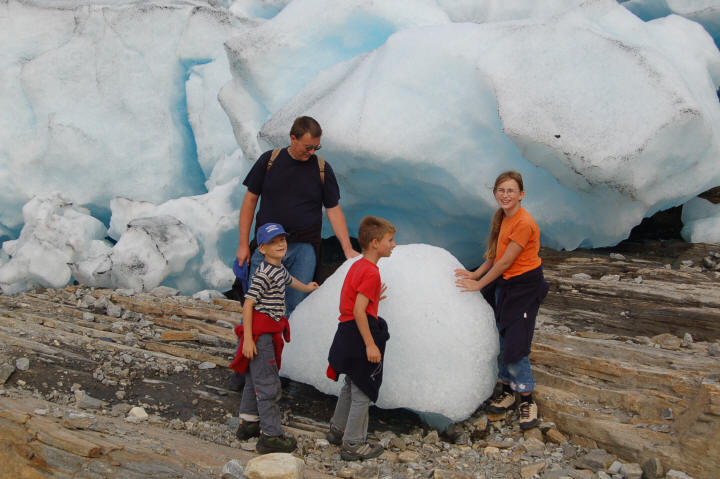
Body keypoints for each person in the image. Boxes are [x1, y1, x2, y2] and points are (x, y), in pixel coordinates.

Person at [237, 115, 359, 317]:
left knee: (295, 309)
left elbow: (333, 209)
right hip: (268, 247)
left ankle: (287, 339)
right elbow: (250, 200)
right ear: (293, 138)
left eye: (316, 148)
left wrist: (347, 247)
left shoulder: (322, 169)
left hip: (304, 249)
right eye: (308, 147)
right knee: (257, 306)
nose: (312, 152)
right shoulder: (269, 160)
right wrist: (243, 245)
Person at [455, 171, 549, 430]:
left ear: (521, 194)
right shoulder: (502, 217)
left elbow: (506, 261)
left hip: (524, 286)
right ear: (495, 193)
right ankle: (507, 390)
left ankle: (527, 399)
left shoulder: (524, 222)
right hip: (506, 284)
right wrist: (475, 274)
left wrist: (479, 284)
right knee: (501, 335)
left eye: (510, 191)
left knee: (517, 340)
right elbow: (495, 255)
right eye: (501, 190)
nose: (505, 195)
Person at [228, 222, 319, 454]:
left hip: (269, 331)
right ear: (262, 249)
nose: (280, 244)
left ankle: (248, 424)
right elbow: (248, 304)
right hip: (261, 334)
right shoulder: (263, 274)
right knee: (268, 384)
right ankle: (271, 436)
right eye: (273, 242)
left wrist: (307, 288)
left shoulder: (279, 269)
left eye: (282, 240)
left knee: (253, 377)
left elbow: (290, 281)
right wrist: (249, 339)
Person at [325, 216, 395, 461]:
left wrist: (373, 296)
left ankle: (337, 429)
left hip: (345, 331)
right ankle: (353, 444)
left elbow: (354, 299)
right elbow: (358, 311)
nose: (393, 245)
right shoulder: (371, 273)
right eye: (389, 240)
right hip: (358, 334)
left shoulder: (358, 265)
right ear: (375, 243)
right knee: (363, 389)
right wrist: (370, 344)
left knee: (351, 383)